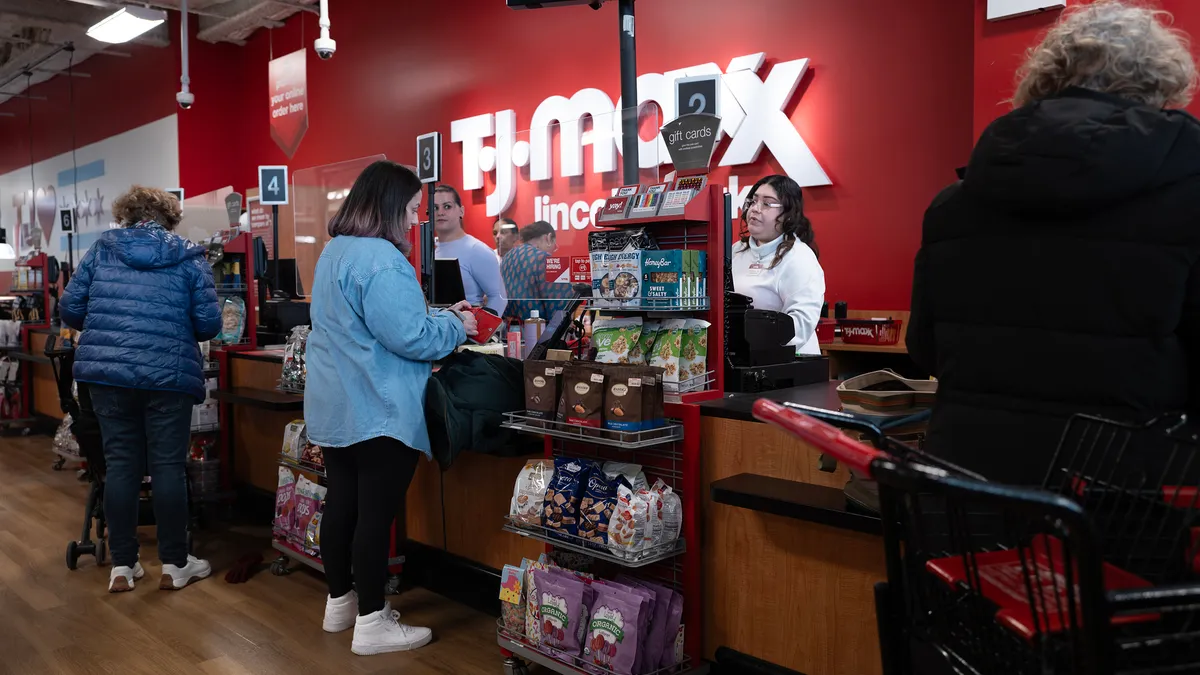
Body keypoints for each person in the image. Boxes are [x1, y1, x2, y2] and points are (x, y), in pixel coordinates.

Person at [907, 1, 1200, 484]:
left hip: (972, 487)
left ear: (1043, 79)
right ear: (1159, 83)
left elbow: (925, 348)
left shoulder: (951, 207)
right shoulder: (1189, 195)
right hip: (1127, 499)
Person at [305, 161, 478, 656]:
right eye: (409, 210)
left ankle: (341, 603)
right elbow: (410, 336)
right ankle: (373, 623)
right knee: (375, 517)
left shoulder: (334, 251)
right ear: (387, 206)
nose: (412, 220)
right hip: (378, 406)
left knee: (341, 506)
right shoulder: (382, 259)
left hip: (338, 403)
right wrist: (456, 327)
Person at [60, 186, 221, 593]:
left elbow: (71, 308)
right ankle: (174, 563)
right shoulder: (189, 256)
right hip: (168, 375)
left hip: (109, 377)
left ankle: (123, 565)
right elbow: (208, 324)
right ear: (169, 217)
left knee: (120, 467)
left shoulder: (102, 250)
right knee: (167, 467)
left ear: (126, 215)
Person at [731, 175, 825, 356]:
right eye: (753, 201)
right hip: (742, 357)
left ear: (788, 214)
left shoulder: (799, 258)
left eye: (767, 204)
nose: (755, 209)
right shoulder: (736, 250)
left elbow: (801, 321)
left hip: (787, 361)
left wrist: (763, 351)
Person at [432, 185, 508, 315]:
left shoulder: (476, 250)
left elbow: (498, 298)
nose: (440, 212)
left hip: (465, 331)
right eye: (435, 208)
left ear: (461, 211)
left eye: (447, 206)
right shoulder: (428, 249)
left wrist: (479, 332)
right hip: (435, 330)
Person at [501, 220, 576, 322]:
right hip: (540, 332)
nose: (553, 252)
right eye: (554, 246)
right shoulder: (548, 260)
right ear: (548, 238)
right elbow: (562, 309)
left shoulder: (507, 258)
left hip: (510, 331)